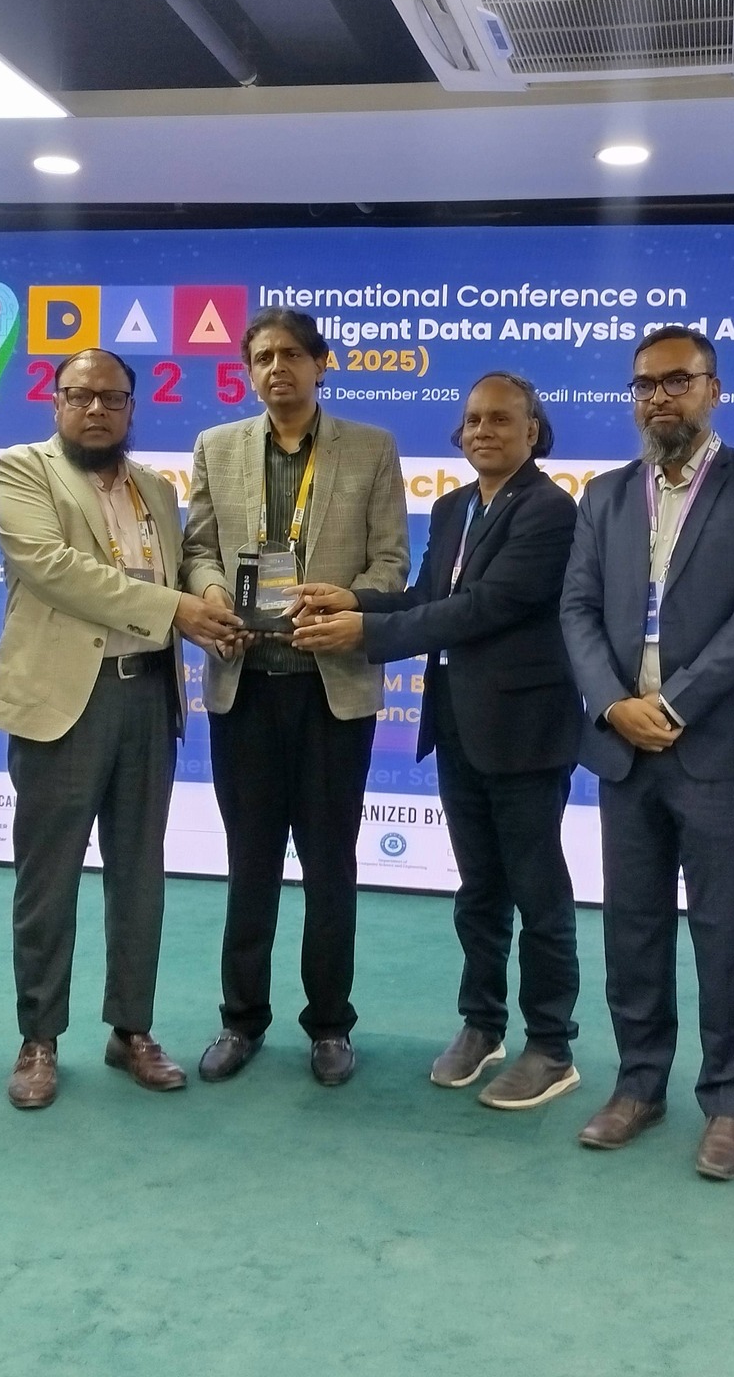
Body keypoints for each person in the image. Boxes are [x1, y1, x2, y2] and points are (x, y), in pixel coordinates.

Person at [292, 372, 584, 1109]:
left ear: (532, 432)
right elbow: (429, 598)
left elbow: (482, 608)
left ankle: (551, 1046)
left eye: (500, 419)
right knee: (478, 890)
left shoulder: (550, 511)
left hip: (526, 733)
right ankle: (482, 1024)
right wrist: (353, 598)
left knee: (538, 894)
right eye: (473, 420)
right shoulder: (455, 507)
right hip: (458, 726)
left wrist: (366, 633)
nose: (482, 431)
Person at [560, 324, 734, 1182]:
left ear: (713, 389)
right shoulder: (605, 496)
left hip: (716, 748)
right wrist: (613, 704)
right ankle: (638, 1084)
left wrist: (673, 703)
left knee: (723, 932)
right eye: (644, 385)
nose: (659, 397)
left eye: (677, 381)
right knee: (631, 927)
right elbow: (577, 609)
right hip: (625, 749)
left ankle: (730, 1102)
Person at [0, 349, 247, 1109]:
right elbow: (53, 566)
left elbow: (186, 567)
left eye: (112, 398)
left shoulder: (155, 487)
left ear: (132, 407)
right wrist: (175, 610)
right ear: (56, 401)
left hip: (147, 699)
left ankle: (132, 1030)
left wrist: (210, 599)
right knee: (48, 880)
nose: (96, 408)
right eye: (80, 395)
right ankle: (38, 1038)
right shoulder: (22, 470)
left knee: (139, 876)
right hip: (65, 700)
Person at [181, 306, 409, 1087]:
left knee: (329, 867)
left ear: (320, 364)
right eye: (263, 357)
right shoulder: (216, 447)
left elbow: (391, 565)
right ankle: (241, 1020)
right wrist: (214, 596)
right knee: (248, 864)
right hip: (244, 687)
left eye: (291, 355)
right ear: (250, 371)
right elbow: (198, 549)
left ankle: (330, 1026)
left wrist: (345, 600)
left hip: (330, 693)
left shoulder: (371, 449)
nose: (277, 368)